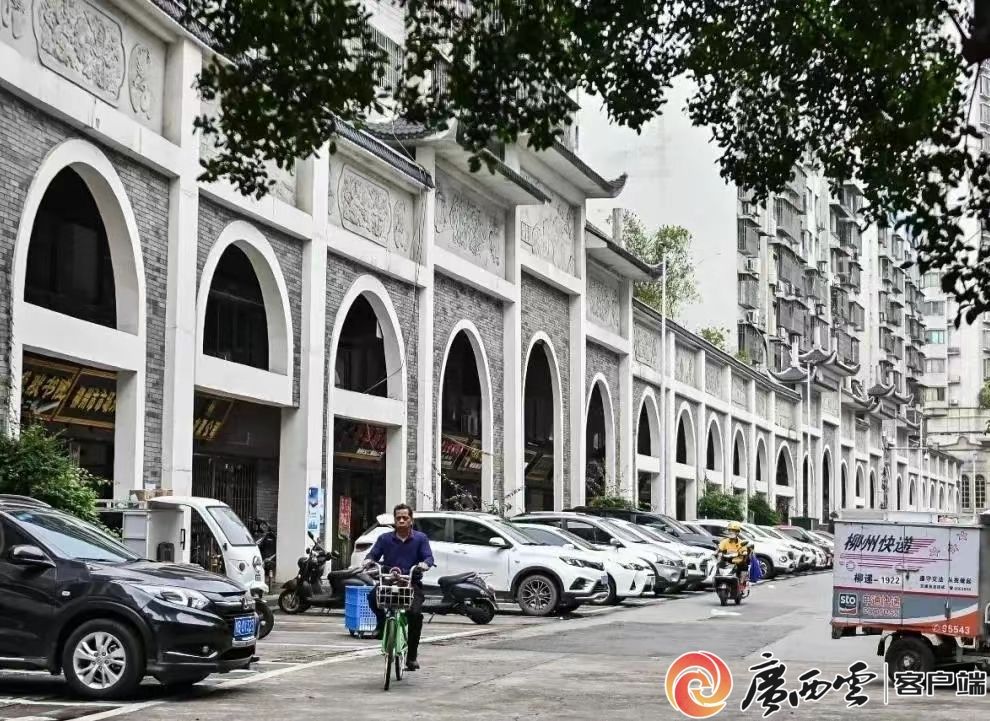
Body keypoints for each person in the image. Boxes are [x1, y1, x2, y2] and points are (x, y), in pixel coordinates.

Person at [362, 503, 433, 671]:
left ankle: (412, 657)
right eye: (398, 518)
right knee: (373, 597)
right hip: (389, 581)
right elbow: (373, 554)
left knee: (415, 615)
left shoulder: (420, 538)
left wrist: (424, 564)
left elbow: (428, 557)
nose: (401, 520)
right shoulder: (385, 539)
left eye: (405, 518)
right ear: (394, 520)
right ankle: (381, 625)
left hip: (410, 583)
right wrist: (368, 560)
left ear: (411, 520)